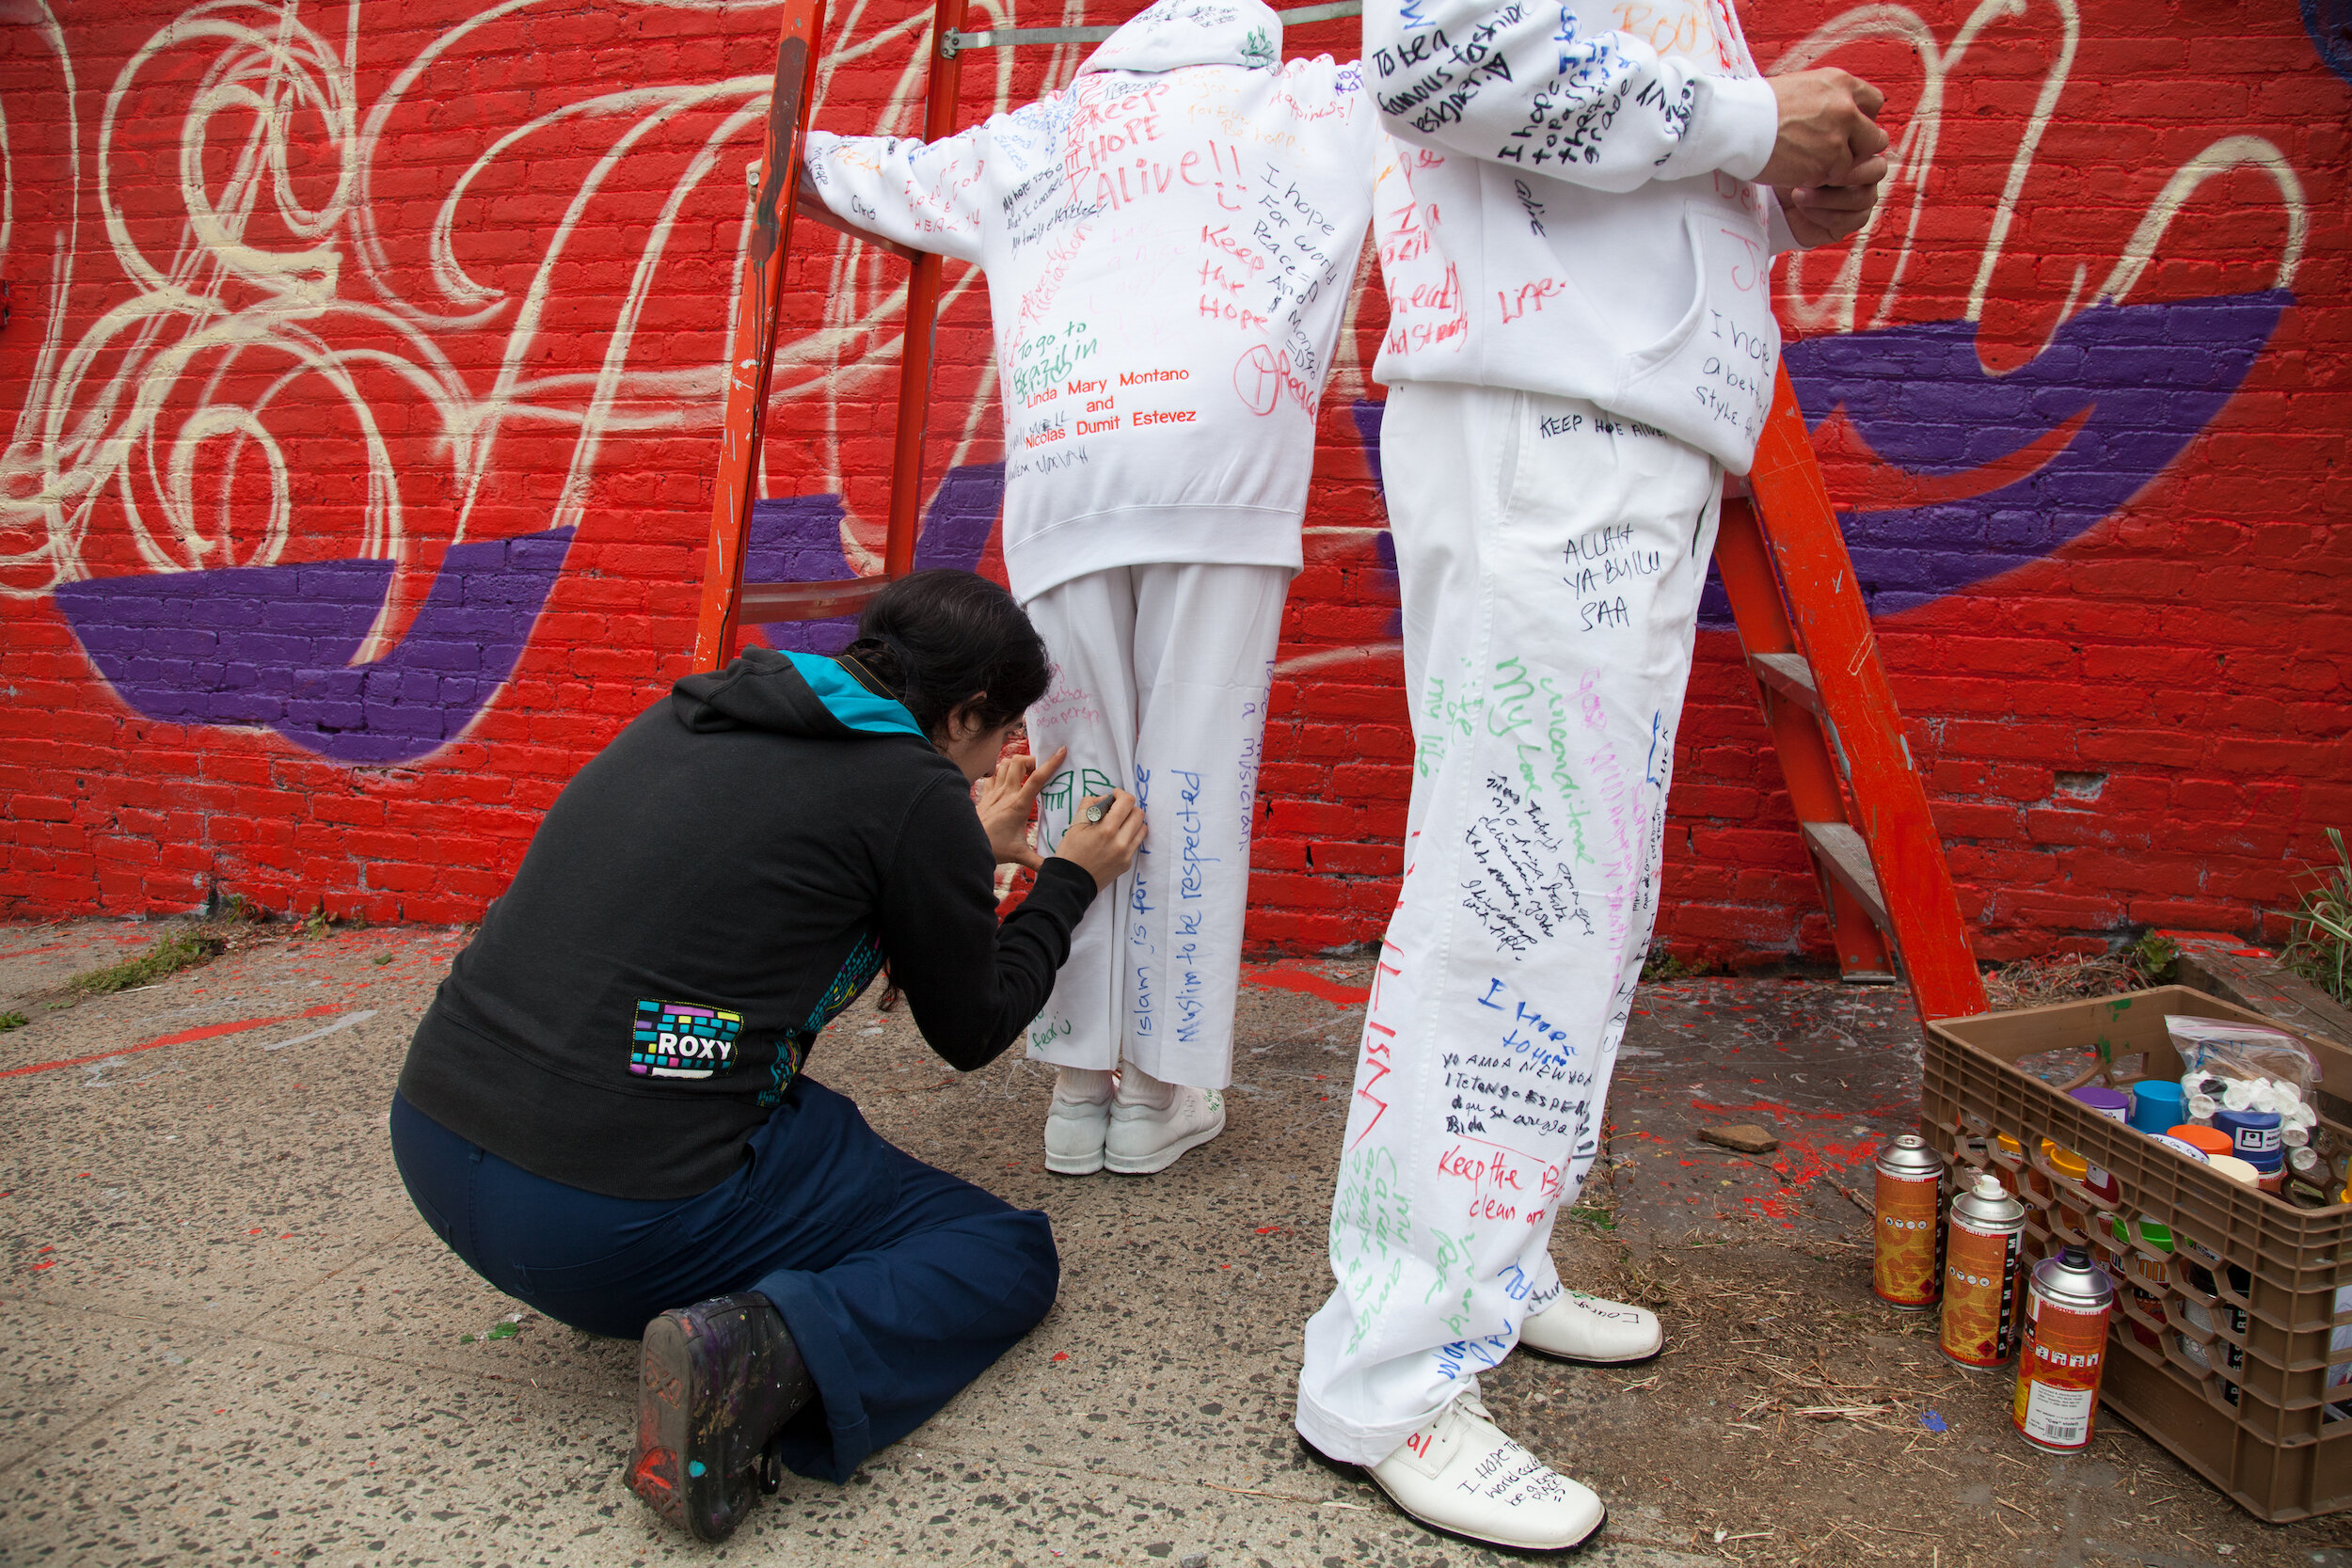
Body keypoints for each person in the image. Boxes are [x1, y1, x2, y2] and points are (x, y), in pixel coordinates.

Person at [1294, 1, 1893, 1551]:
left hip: (1623, 421)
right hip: (1546, 420)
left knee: (1585, 896)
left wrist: (1787, 185)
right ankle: (1387, 1375)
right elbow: (1435, 61)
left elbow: (1619, 135)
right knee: (1512, 898)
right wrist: (1758, 125)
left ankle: (1494, 1263)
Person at [389, 569, 1147, 1543]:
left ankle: (685, 1295)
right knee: (997, 1251)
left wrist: (958, 848)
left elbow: (783, 864)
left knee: (806, 1118)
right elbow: (972, 1028)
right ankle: (757, 1355)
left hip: (437, 1140)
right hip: (606, 1225)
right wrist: (1069, 882)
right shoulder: (907, 790)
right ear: (960, 711)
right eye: (1002, 728)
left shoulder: (695, 712)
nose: (1010, 752)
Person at [801, 0, 1378, 1179]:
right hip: (1224, 470)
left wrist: (789, 152)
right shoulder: (1323, 101)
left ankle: (1076, 1085)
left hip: (1070, 468)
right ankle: (1162, 1090)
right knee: (1192, 772)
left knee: (1071, 772)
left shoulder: (1035, 136)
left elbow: (856, 176)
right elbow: (1479, 94)